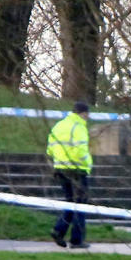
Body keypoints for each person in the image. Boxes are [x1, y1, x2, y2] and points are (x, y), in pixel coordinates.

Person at [47, 101, 92, 249]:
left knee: (69, 202)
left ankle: (59, 231)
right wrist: (88, 164)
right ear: (84, 114)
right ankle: (76, 240)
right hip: (77, 170)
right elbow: (80, 150)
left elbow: (50, 149)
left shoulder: (59, 125)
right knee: (80, 205)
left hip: (60, 168)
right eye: (87, 115)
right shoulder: (79, 127)